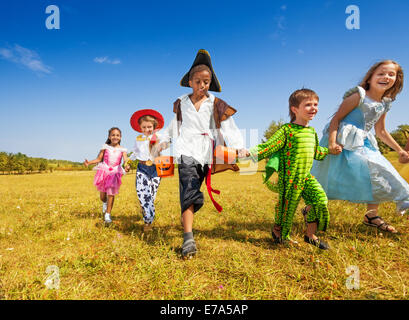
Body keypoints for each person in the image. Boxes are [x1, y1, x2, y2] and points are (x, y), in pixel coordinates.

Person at [159, 49, 246, 258]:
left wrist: (238, 146)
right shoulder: (182, 103)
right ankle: (188, 238)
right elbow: (175, 126)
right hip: (185, 150)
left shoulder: (215, 103)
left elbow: (228, 126)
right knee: (188, 190)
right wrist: (164, 141)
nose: (202, 86)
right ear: (190, 81)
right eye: (198, 81)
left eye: (206, 82)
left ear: (210, 83)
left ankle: (191, 211)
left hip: (206, 152)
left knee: (192, 189)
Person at [311, 60, 409, 234]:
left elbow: (381, 131)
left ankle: (371, 215)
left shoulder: (385, 103)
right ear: (370, 78)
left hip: (364, 141)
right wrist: (333, 143)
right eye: (381, 73)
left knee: (378, 172)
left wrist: (400, 150)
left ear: (397, 80)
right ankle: (312, 211)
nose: (386, 77)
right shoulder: (359, 95)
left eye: (391, 74)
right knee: (328, 178)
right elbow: (336, 119)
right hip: (342, 140)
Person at [248, 89, 339, 249]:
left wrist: (329, 150)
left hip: (305, 177)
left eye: (316, 104)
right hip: (289, 178)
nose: (313, 108)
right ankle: (279, 234)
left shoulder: (312, 132)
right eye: (308, 105)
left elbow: (316, 152)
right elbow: (268, 147)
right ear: (295, 109)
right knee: (286, 212)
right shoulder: (287, 130)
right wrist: (248, 153)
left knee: (320, 200)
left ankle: (310, 235)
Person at [84, 127, 129, 225]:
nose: (115, 137)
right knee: (102, 196)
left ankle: (107, 214)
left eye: (117, 135)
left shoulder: (123, 149)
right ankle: (104, 203)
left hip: (115, 172)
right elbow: (99, 159)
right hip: (104, 171)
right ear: (109, 136)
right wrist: (89, 162)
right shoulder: (105, 147)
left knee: (111, 194)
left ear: (120, 137)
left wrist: (127, 165)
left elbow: (125, 160)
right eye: (113, 135)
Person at [129, 109, 165, 232]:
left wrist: (161, 144)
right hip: (142, 168)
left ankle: (147, 210)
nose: (146, 129)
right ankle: (148, 221)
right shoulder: (138, 138)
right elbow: (135, 152)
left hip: (155, 169)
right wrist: (128, 162)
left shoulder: (158, 136)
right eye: (144, 127)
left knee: (151, 195)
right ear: (140, 127)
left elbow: (167, 143)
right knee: (142, 193)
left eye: (149, 127)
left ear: (154, 126)